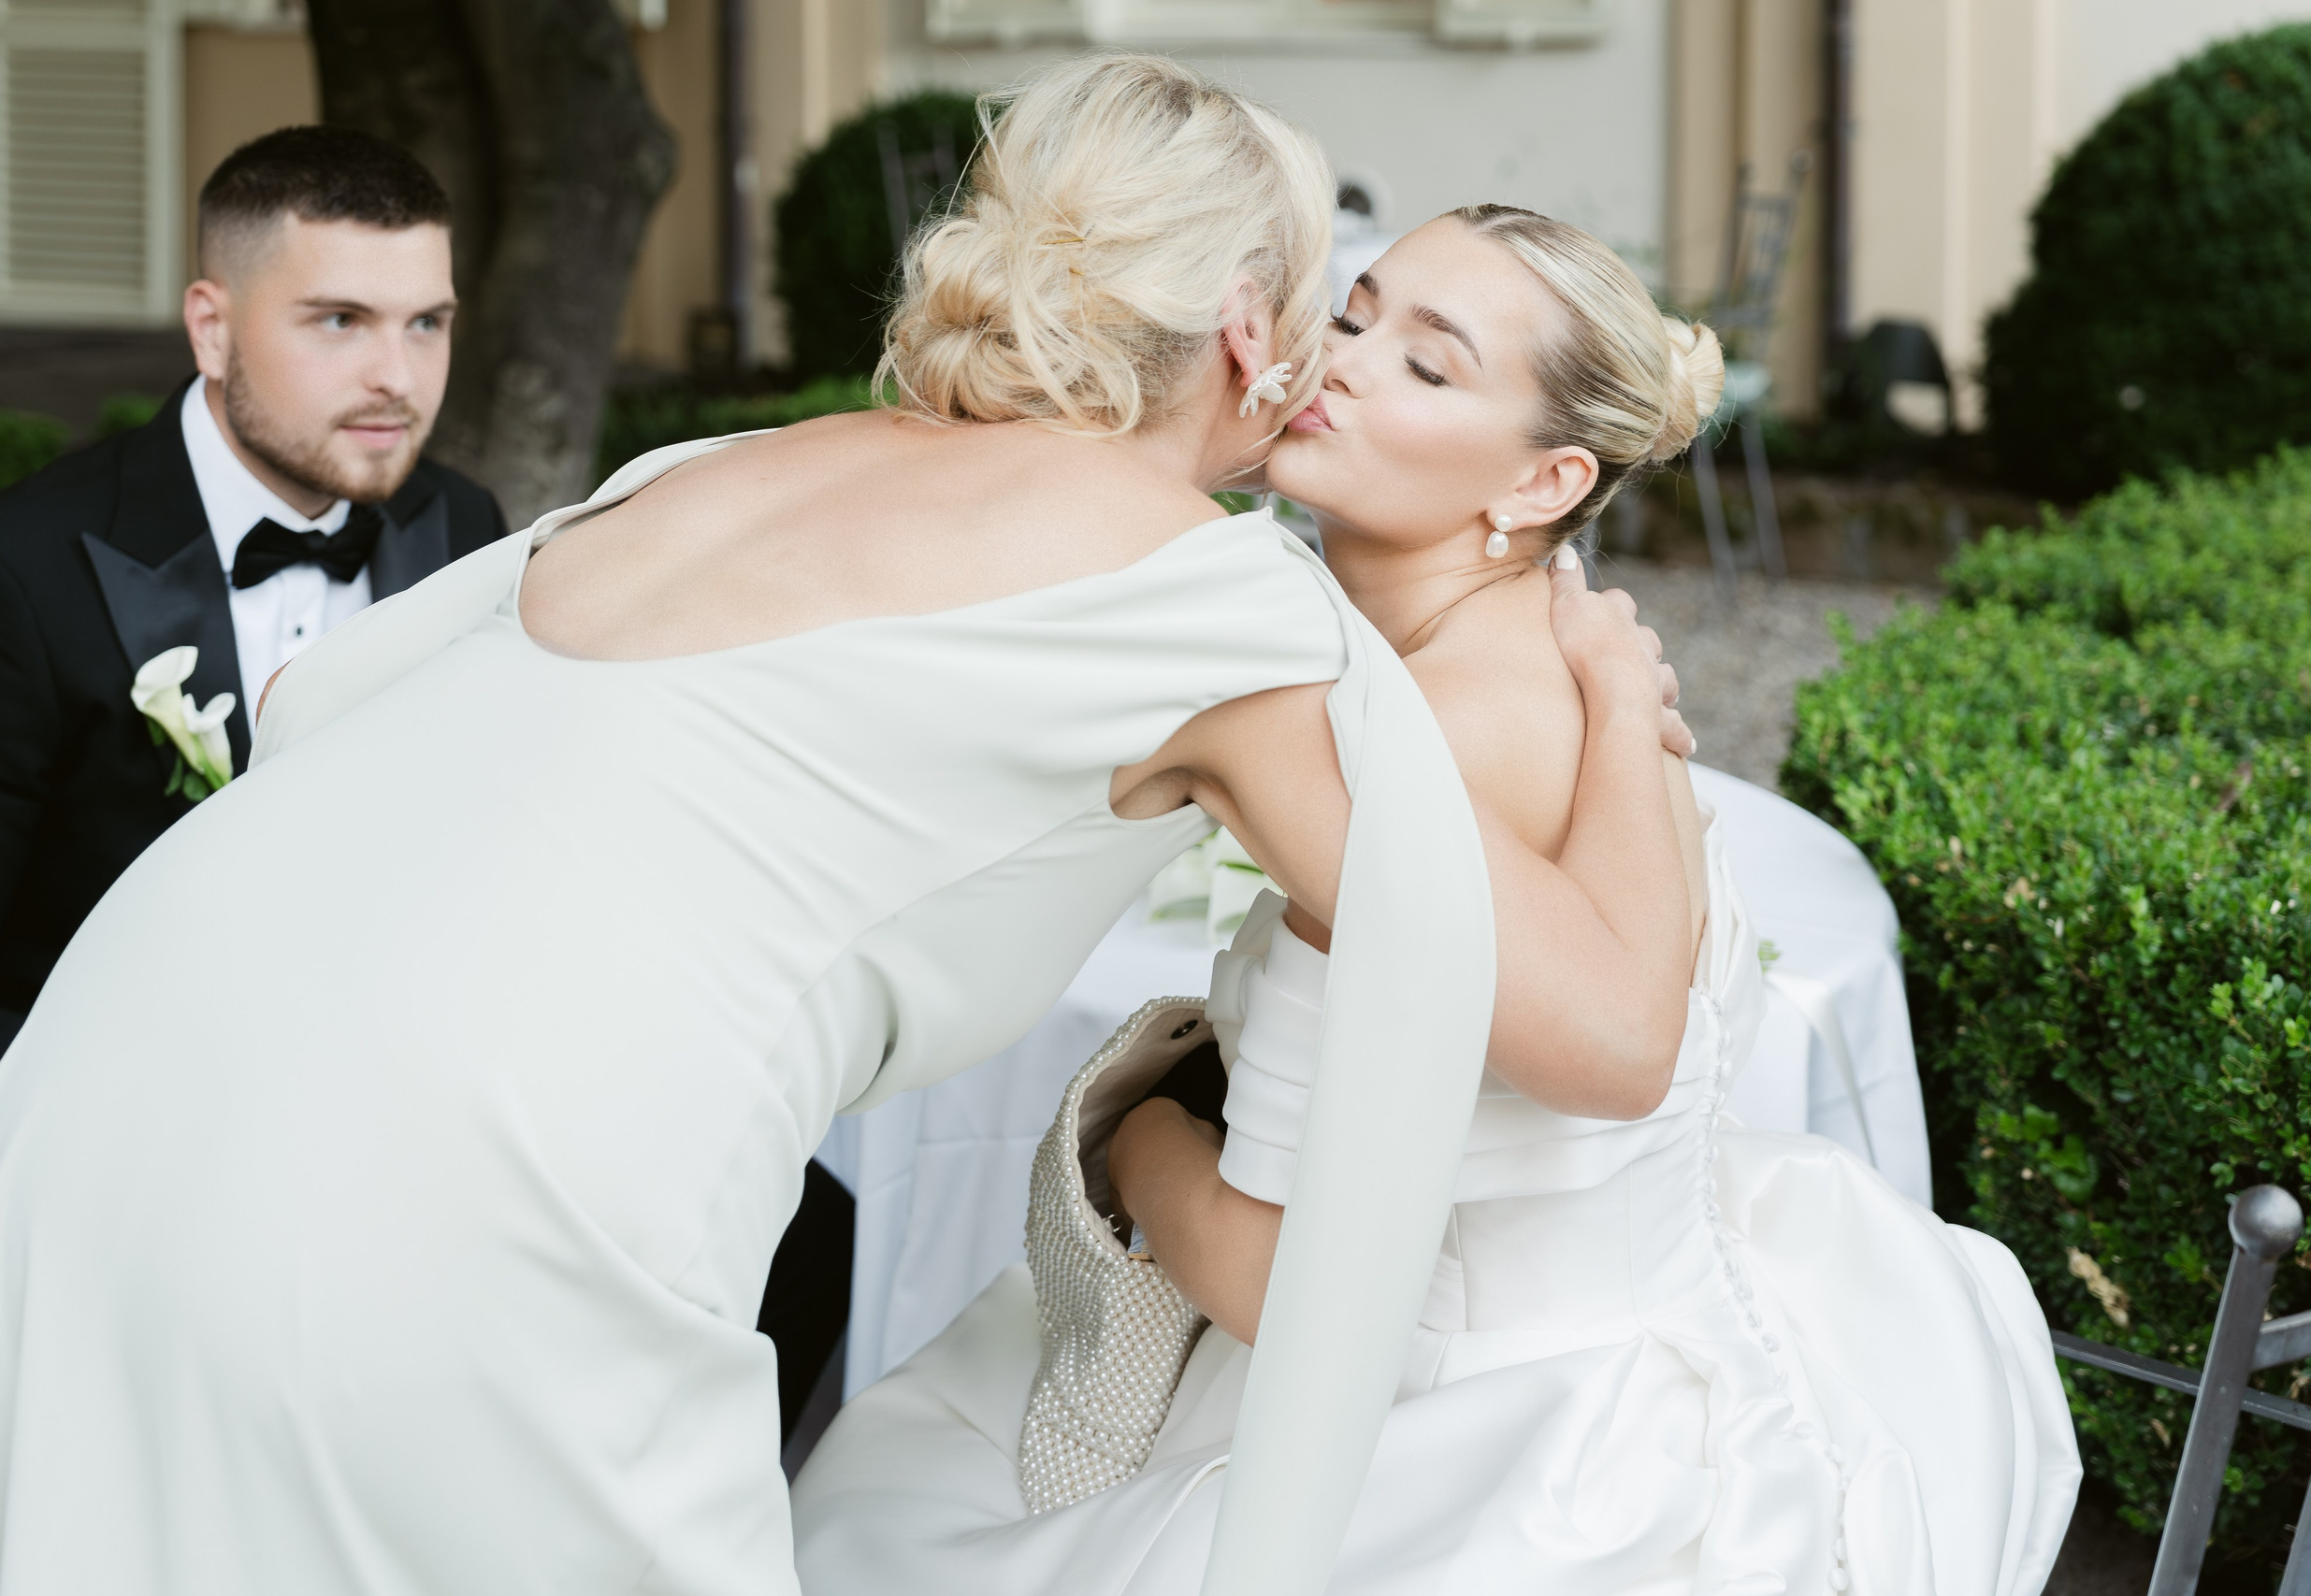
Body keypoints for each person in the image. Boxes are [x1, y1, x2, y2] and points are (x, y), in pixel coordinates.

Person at [0, 59, 1690, 1596]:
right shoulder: (1222, 602)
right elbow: (1609, 1031)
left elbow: (328, 711)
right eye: (1333, 306)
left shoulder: (725, 462)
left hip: (96, 1089)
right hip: (477, 1209)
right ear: (1250, 330)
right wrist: (1622, 700)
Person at [787, 209, 2081, 1594]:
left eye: (1428, 363)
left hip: (1497, 1453)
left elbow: (1280, 1288)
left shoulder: (1417, 742)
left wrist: (1135, 1135)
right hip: (1683, 1345)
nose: (1342, 362)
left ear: (1543, 482)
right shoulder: (1568, 664)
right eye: (1355, 317)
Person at [0, 126, 505, 1046]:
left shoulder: (465, 529)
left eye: (427, 323)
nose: (398, 378)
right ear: (213, 330)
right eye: (340, 320)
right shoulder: (27, 567)